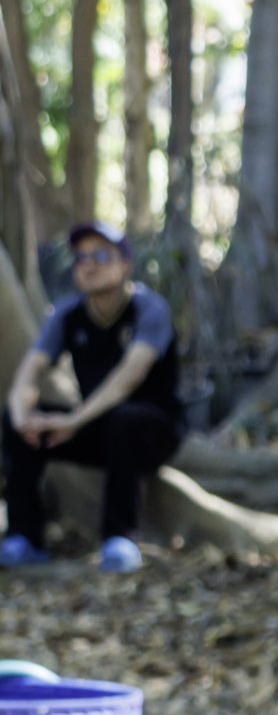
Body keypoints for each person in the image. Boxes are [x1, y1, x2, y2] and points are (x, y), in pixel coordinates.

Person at [3, 222, 187, 574]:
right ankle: (23, 537)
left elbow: (129, 377)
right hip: (96, 426)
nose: (89, 265)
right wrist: (21, 414)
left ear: (125, 264)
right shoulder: (68, 314)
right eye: (82, 257)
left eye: (101, 256)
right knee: (15, 423)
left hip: (154, 430)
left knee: (125, 419)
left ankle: (120, 539)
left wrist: (73, 421)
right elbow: (31, 369)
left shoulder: (149, 309)